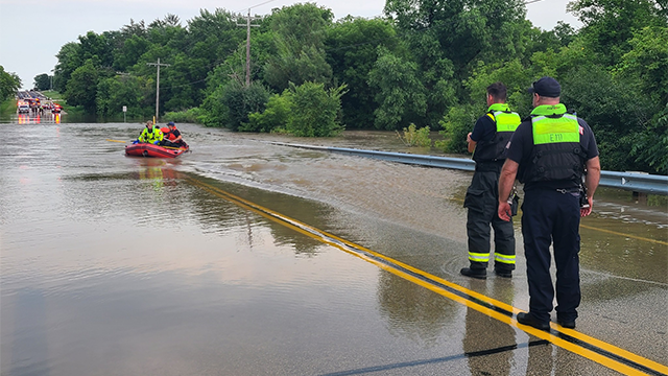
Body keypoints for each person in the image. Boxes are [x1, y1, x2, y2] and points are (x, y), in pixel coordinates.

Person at [497, 76, 601, 330]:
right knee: (568, 257)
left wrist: (503, 200)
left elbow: (509, 171)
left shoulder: (528, 127)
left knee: (538, 257)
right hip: (569, 199)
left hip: (539, 200)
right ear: (558, 98)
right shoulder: (580, 125)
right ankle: (567, 316)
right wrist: (588, 196)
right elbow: (594, 166)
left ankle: (540, 316)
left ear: (536, 97)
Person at [460, 82, 521, 280]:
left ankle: (478, 268)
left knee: (479, 220)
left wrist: (470, 138)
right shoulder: (517, 119)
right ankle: (505, 268)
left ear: (491, 98)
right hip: (509, 175)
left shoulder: (486, 120)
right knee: (504, 218)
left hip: (486, 176)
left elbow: (471, 147)